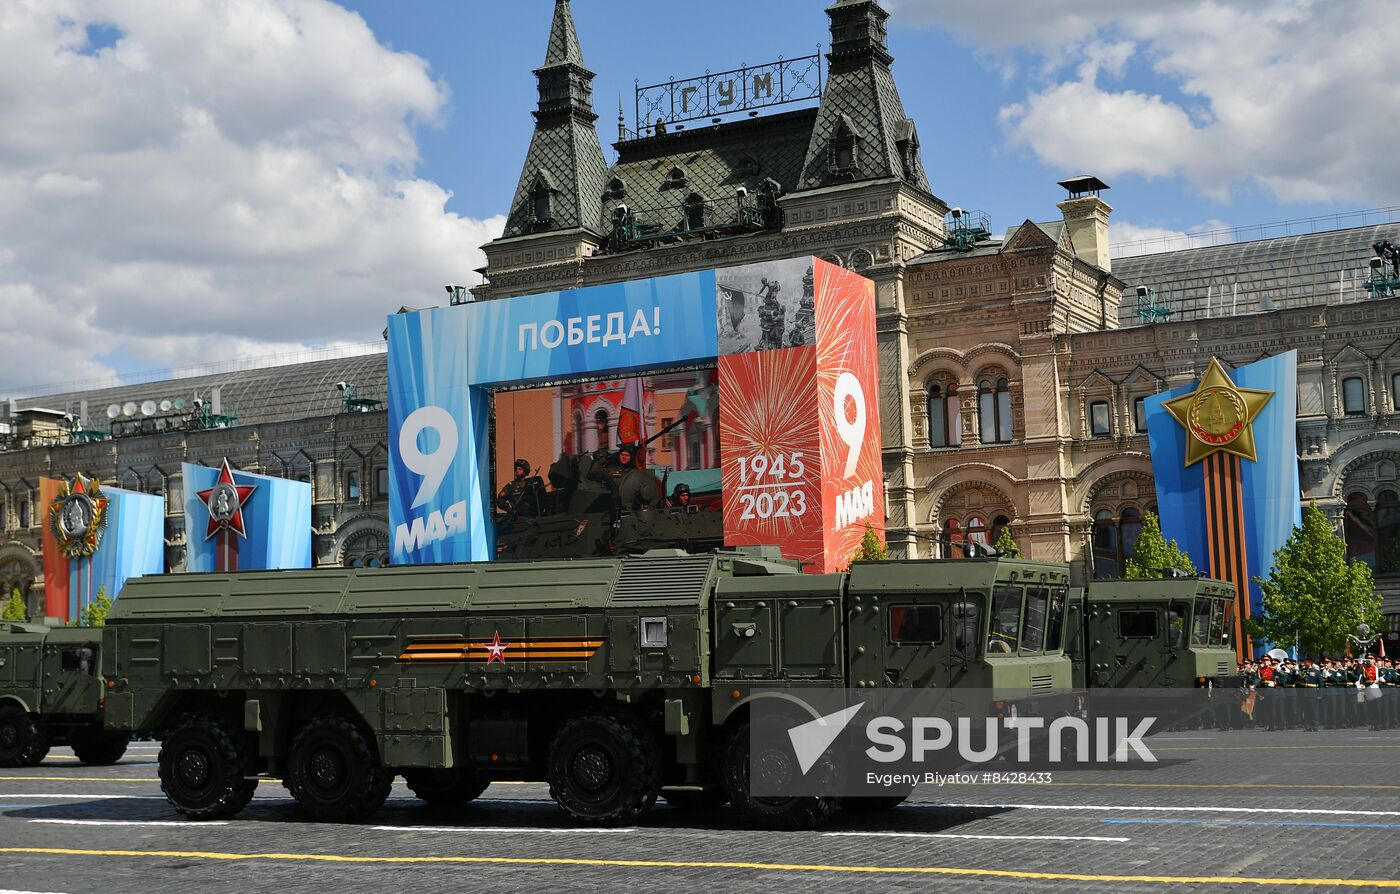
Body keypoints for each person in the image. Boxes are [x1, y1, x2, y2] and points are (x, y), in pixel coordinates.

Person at [757, 278, 785, 350]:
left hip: (776, 288)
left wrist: (766, 298)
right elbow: (763, 289)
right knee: (770, 298)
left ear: (765, 281)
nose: (763, 284)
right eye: (763, 283)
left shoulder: (770, 285)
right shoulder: (766, 284)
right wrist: (759, 293)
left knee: (772, 299)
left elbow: (770, 292)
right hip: (773, 290)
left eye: (763, 283)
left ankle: (778, 305)